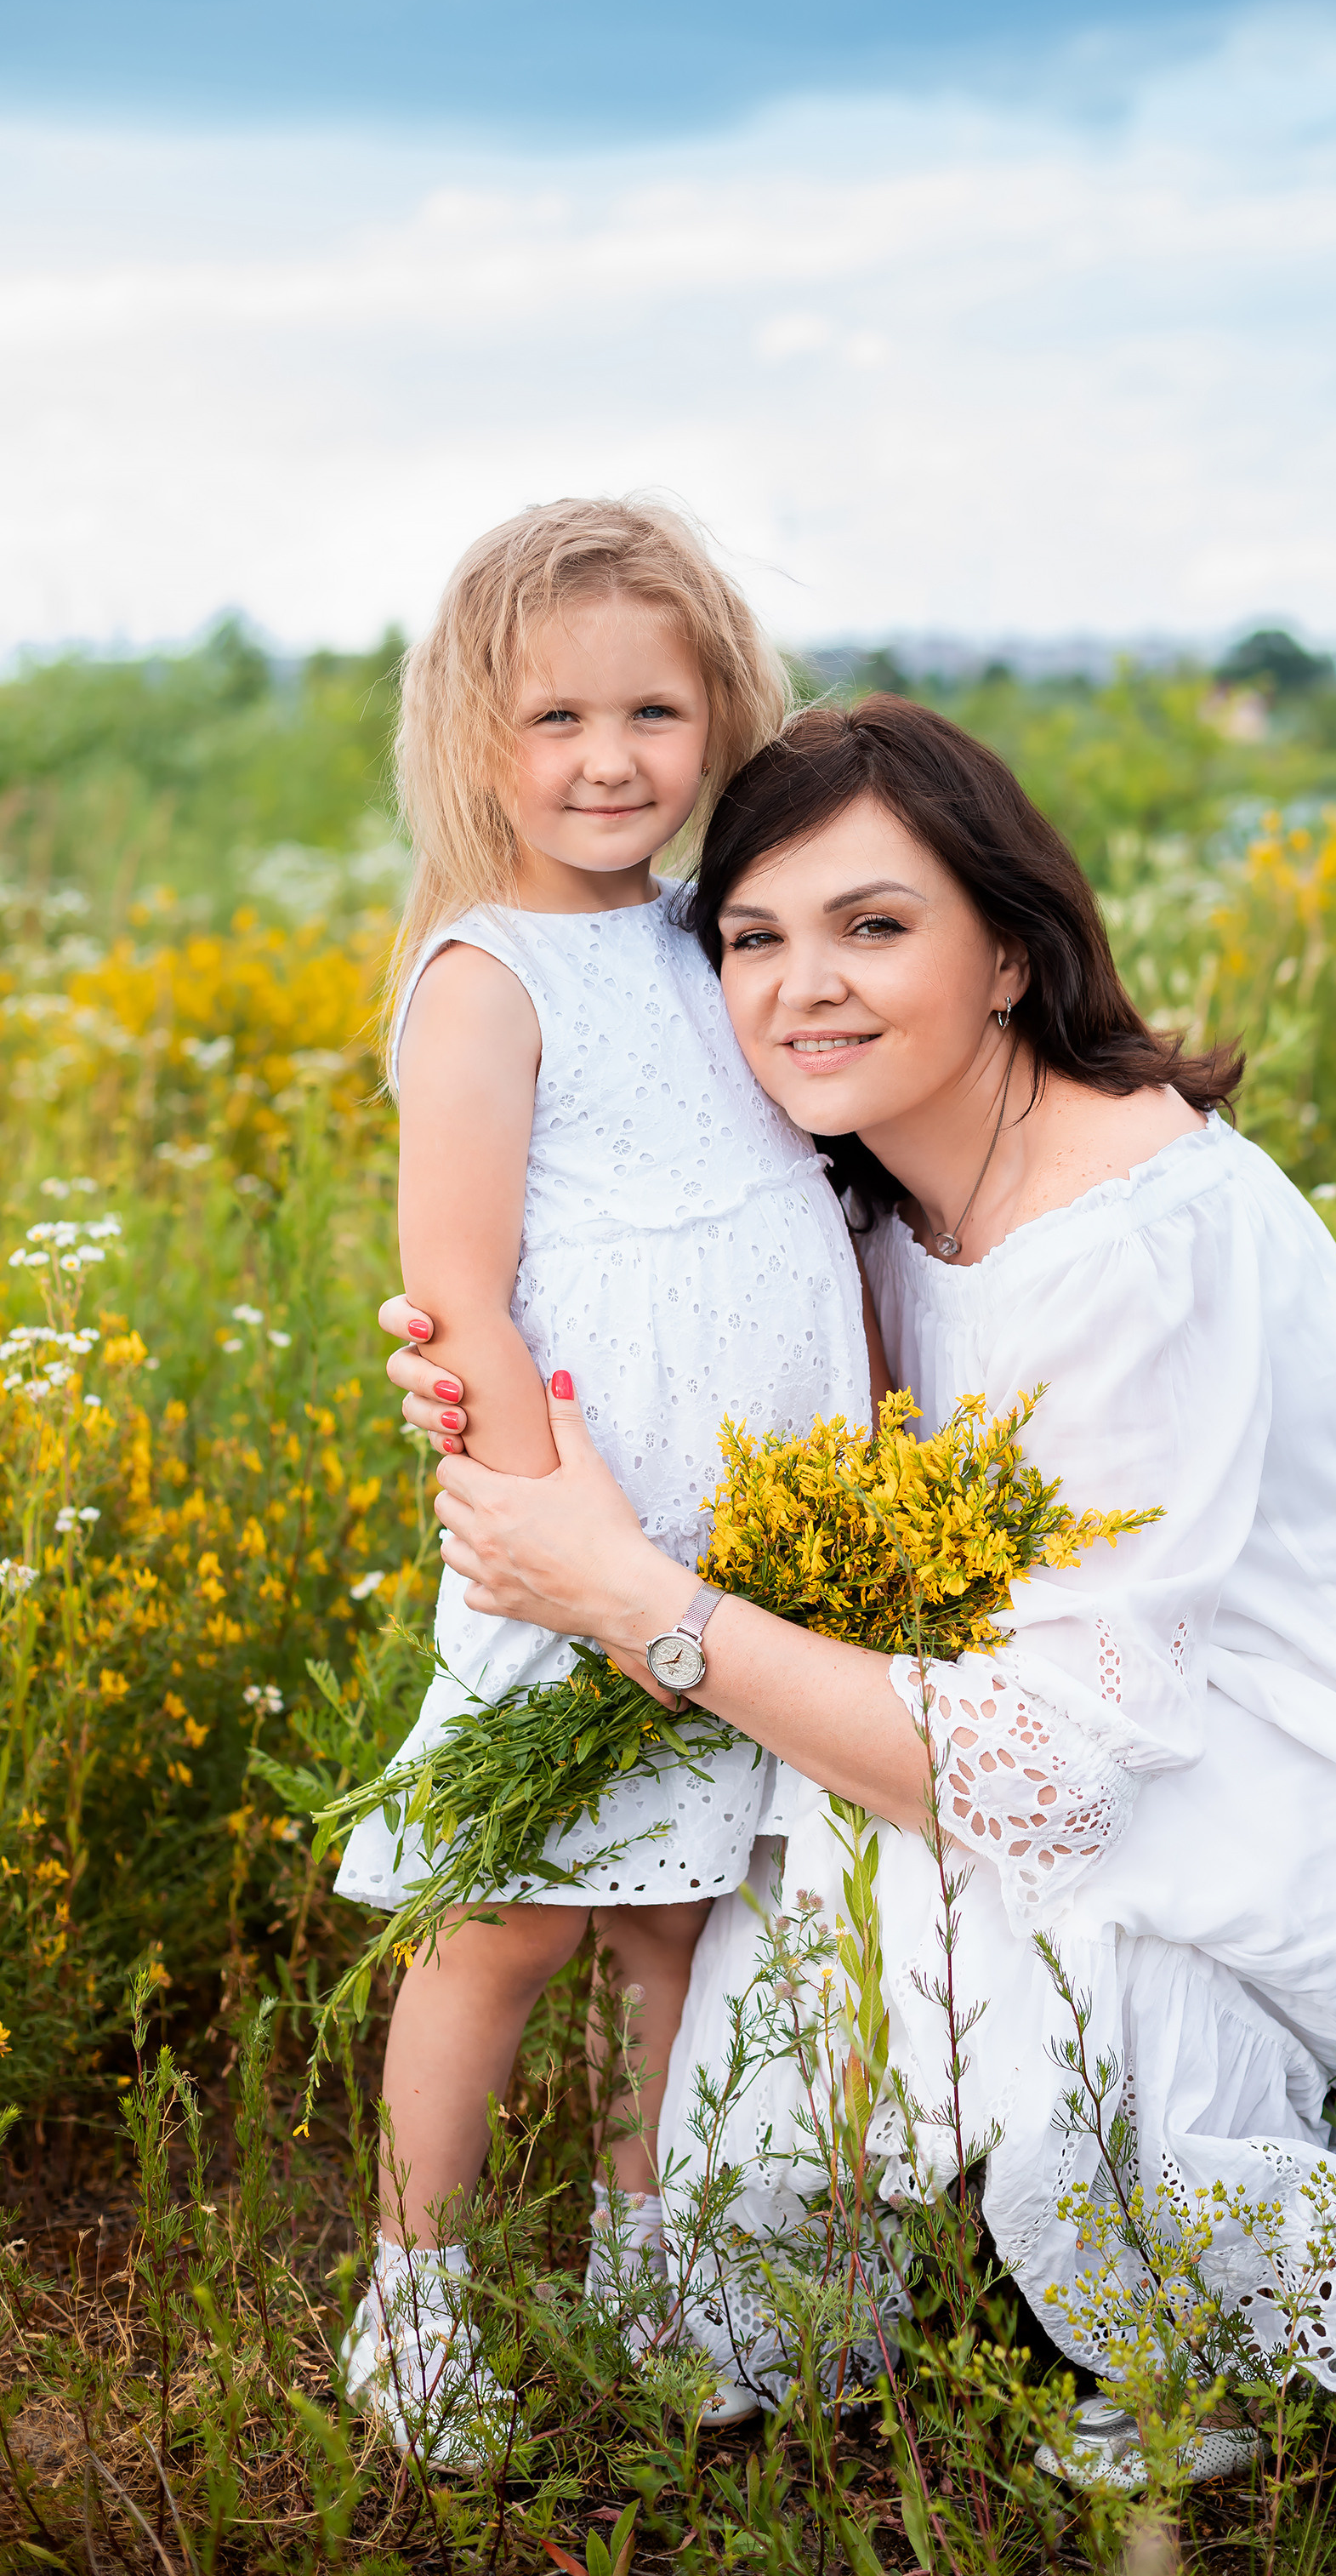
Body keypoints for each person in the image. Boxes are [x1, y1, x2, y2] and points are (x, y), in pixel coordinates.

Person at [382, 695, 1336, 2419]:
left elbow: (1050, 1770)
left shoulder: (1143, 1233)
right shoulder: (852, 1206)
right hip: (1112, 1744)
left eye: (875, 926)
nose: (803, 987)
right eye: (754, 937)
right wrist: (490, 1390)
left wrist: (631, 1599)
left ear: (1008, 953)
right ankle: (957, 2227)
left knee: (1005, 1893)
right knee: (787, 2015)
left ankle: (1200, 2353)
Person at [337, 500, 877, 2463]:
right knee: (505, 1920)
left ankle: (665, 2270)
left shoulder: (717, 931)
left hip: (747, 1537)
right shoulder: (489, 974)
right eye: (554, 716)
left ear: (719, 713)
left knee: (686, 1918)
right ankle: (416, 2302)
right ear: (473, 733)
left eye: (654, 710)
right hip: (583, 1532)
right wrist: (571, 1549)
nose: (608, 760)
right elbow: (461, 1292)